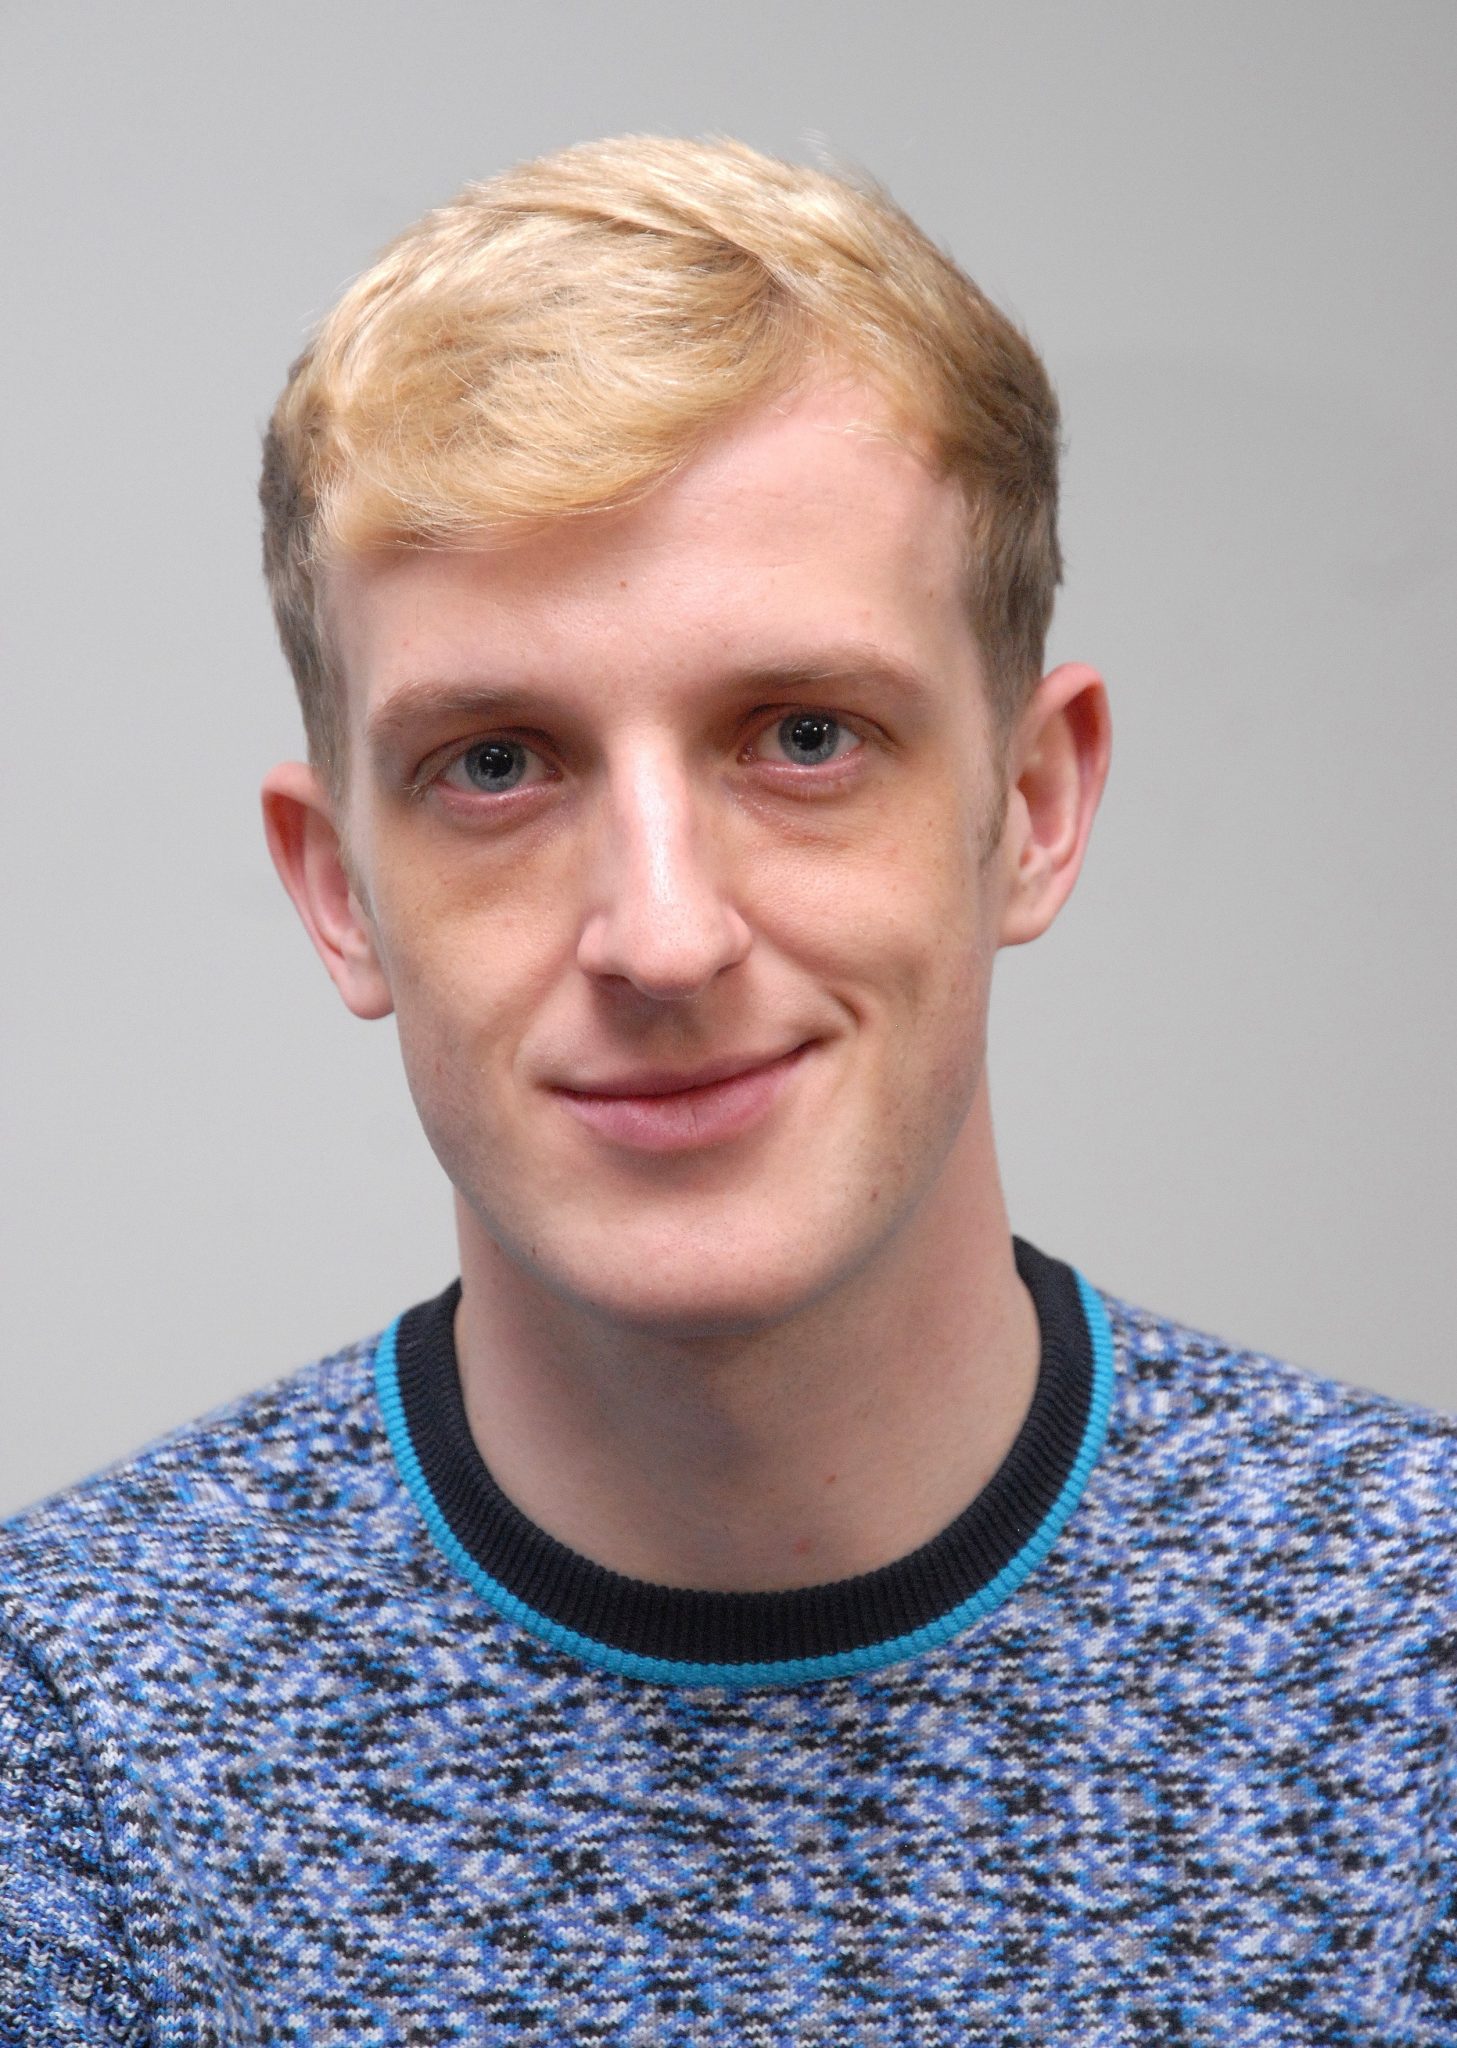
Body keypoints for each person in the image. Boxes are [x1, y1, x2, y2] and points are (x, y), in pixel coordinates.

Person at [2, 134, 1453, 2046]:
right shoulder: (67, 1751)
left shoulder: (1419, 1671)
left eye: (803, 736)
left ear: (1031, 803)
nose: (663, 937)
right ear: (339, 892)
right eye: (497, 764)